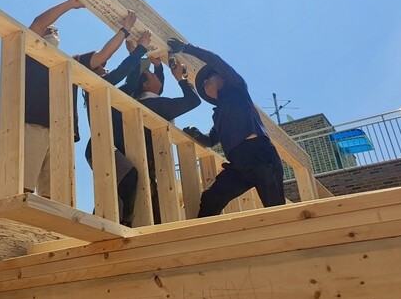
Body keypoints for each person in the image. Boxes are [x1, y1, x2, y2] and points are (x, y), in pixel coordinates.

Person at [168, 37, 286, 217]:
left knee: (276, 208)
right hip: (239, 165)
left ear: (224, 78)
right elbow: (211, 140)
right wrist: (197, 134)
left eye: (209, 77)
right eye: (203, 82)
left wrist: (186, 48)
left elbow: (216, 61)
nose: (205, 82)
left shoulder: (237, 90)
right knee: (211, 199)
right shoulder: (218, 115)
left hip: (260, 155)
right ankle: (205, 241)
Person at [81, 29, 153, 226]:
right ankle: (124, 223)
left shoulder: (111, 92)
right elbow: (121, 72)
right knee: (129, 176)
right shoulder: (93, 86)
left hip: (103, 146)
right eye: (101, 66)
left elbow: (130, 82)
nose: (105, 67)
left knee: (114, 186)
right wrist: (140, 49)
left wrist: (136, 55)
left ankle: (99, 220)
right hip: (98, 146)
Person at [126, 53, 201, 223]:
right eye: (151, 74)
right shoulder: (156, 106)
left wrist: (158, 67)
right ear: (146, 84)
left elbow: (157, 89)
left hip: (146, 165)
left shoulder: (146, 101)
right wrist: (181, 79)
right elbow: (193, 101)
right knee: (156, 215)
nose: (155, 74)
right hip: (152, 168)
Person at [24, 0, 85, 197]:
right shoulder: (30, 51)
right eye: (49, 28)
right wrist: (70, 3)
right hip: (33, 125)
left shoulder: (65, 63)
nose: (53, 31)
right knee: (22, 187)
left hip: (59, 132)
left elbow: (101, 57)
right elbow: (38, 22)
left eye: (56, 30)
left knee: (54, 196)